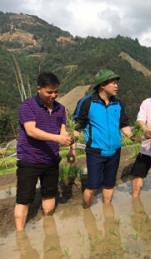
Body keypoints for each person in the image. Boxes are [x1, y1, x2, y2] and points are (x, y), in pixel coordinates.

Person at [14, 72, 73, 231]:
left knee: (49, 194)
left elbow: (62, 130)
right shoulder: (28, 106)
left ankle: (49, 229)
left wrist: (69, 142)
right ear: (39, 89)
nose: (53, 95)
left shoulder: (60, 109)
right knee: (24, 199)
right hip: (30, 161)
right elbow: (31, 131)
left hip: (51, 160)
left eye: (56, 91)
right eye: (49, 92)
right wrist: (56, 138)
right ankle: (20, 236)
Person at [74, 69, 131, 208]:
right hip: (95, 152)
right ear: (102, 85)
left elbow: (124, 125)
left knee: (110, 184)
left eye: (117, 83)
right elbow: (77, 126)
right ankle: (86, 210)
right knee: (92, 186)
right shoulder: (87, 102)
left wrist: (135, 136)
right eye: (113, 83)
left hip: (115, 151)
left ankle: (107, 213)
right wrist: (72, 147)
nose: (117, 86)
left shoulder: (118, 103)